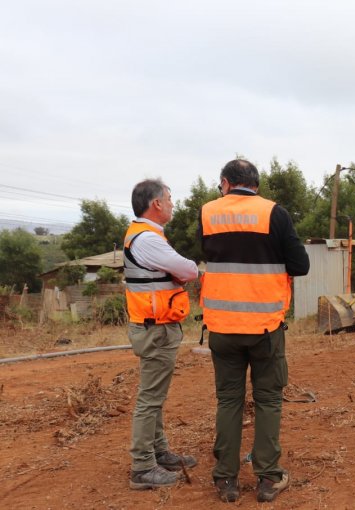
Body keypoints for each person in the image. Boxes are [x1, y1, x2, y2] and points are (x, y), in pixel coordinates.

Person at [199, 159, 310, 503]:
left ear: (225, 183)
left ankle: (226, 481)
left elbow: (212, 257)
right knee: (268, 400)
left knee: (228, 400)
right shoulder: (274, 213)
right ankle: (267, 479)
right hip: (264, 326)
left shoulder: (207, 213)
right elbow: (301, 266)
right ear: (256, 185)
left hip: (221, 326)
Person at [124, 179, 199, 489]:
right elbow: (189, 270)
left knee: (153, 396)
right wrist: (186, 268)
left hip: (155, 326)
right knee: (150, 399)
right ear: (155, 204)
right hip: (156, 330)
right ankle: (142, 467)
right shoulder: (148, 240)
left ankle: (158, 451)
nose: (171, 204)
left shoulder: (145, 235)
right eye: (168, 199)